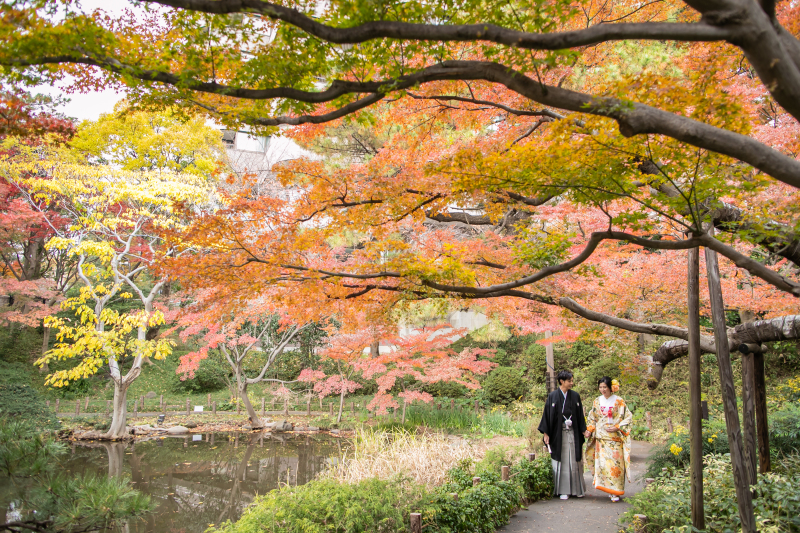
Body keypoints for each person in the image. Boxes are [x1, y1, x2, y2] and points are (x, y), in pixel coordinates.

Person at [537, 370, 587, 500]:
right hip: (558, 434)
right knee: (562, 460)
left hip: (573, 432)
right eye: (569, 381)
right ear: (561, 381)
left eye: (571, 380)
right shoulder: (553, 396)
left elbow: (580, 416)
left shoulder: (575, 396)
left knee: (574, 460)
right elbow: (547, 415)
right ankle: (563, 490)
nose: (571, 383)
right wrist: (546, 433)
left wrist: (583, 430)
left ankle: (576, 490)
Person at [584, 376, 633, 502]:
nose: (602, 390)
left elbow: (628, 417)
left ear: (611, 387)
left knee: (616, 466)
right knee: (604, 466)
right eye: (600, 387)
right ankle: (608, 490)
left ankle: (616, 491)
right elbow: (592, 417)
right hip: (602, 439)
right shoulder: (597, 401)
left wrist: (617, 427)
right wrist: (590, 429)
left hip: (615, 439)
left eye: (605, 387)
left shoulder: (619, 401)